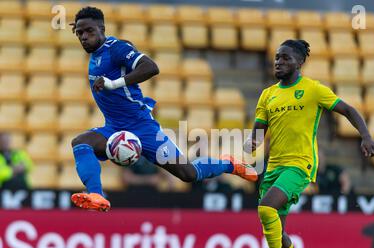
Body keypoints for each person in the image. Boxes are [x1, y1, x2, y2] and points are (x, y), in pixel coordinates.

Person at [69, 7, 257, 212]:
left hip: (142, 128)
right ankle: (96, 195)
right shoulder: (96, 54)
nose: (84, 37)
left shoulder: (117, 48)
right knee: (80, 143)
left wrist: (113, 84)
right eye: (80, 33)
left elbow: (151, 67)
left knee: (188, 174)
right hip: (114, 128)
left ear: (102, 28)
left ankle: (229, 164)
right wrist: (79, 24)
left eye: (89, 31)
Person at [244, 40, 374, 248]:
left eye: (285, 58)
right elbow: (258, 132)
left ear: (299, 63)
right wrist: (252, 142)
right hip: (274, 166)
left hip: (300, 165)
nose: (279, 62)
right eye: (276, 58)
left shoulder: (313, 90)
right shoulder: (268, 94)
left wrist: (366, 136)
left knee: (265, 209)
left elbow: (348, 110)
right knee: (277, 227)